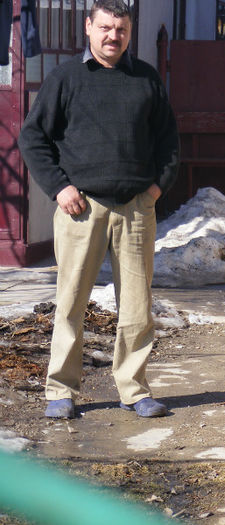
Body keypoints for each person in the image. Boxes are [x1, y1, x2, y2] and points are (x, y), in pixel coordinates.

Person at [18, 0, 179, 419]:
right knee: (71, 302)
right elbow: (32, 138)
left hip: (136, 210)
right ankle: (61, 391)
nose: (113, 36)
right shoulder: (65, 79)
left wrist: (157, 189)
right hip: (80, 209)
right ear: (88, 28)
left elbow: (169, 142)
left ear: (129, 33)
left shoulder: (145, 79)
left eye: (121, 30)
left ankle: (134, 389)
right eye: (105, 27)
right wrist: (59, 188)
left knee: (137, 305)